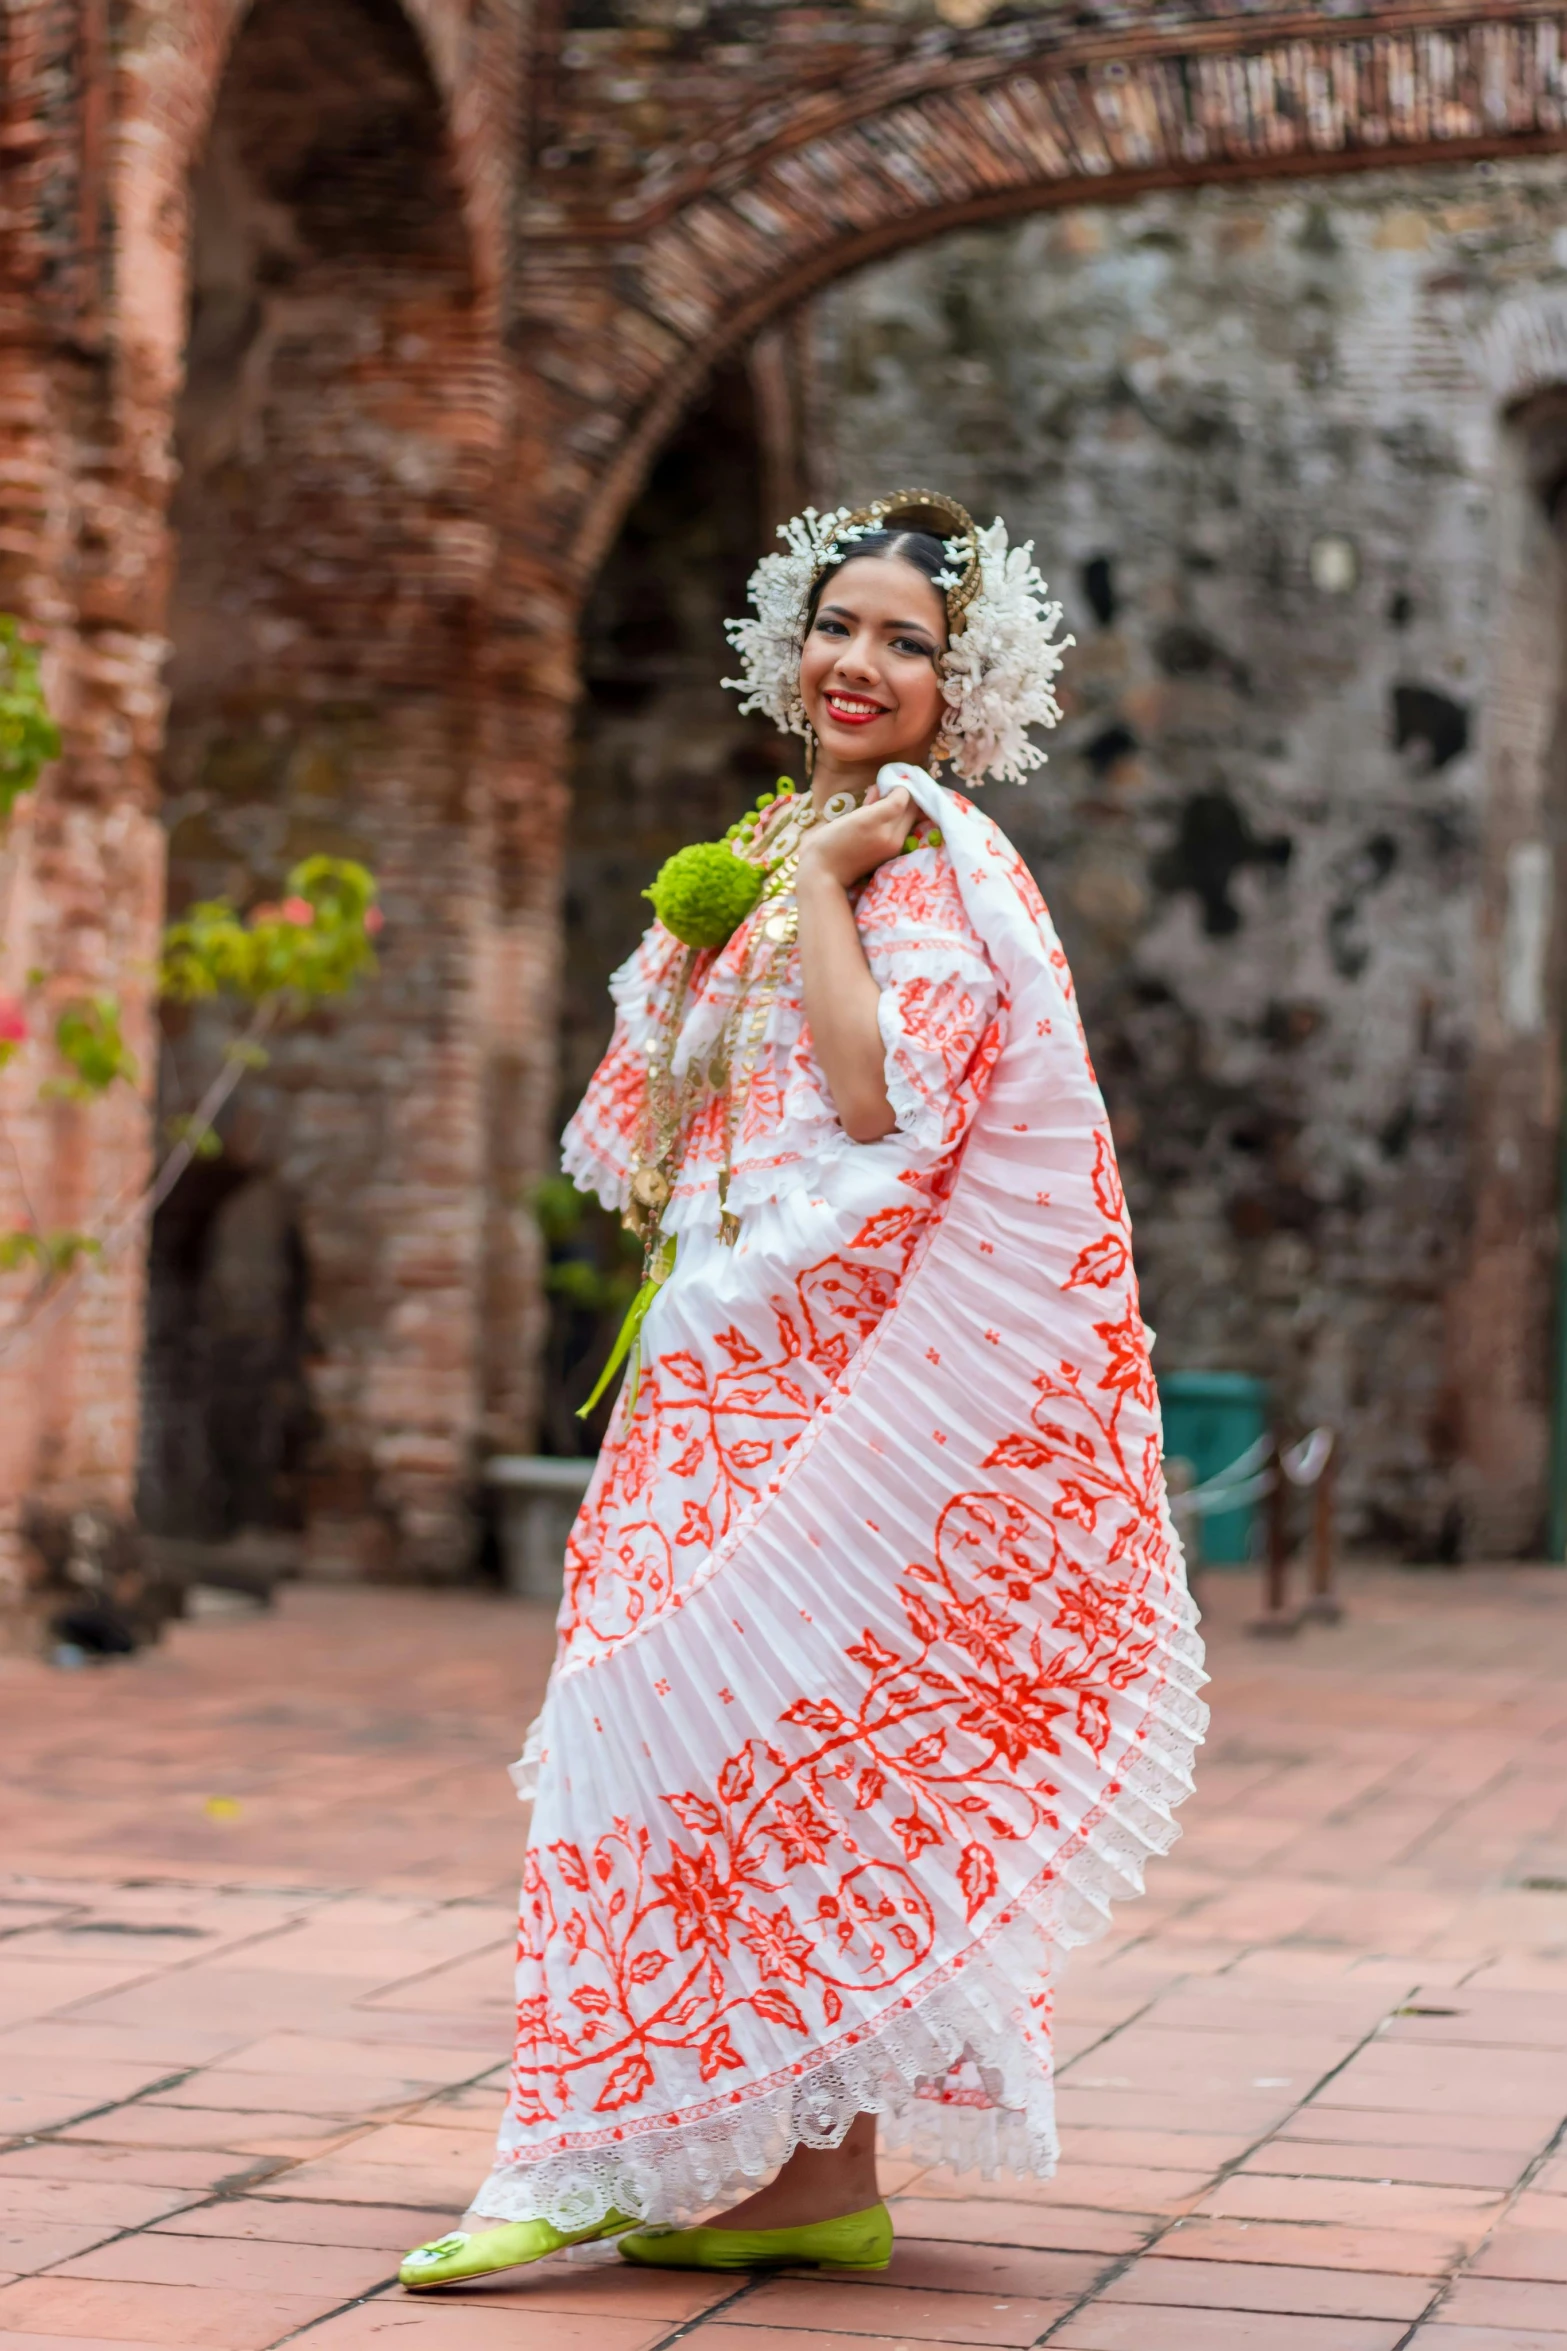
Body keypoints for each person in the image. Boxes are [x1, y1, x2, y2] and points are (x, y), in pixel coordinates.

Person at [400, 490, 1206, 2291]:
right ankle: (769, 2177)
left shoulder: (930, 864)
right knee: (688, 1753)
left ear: (961, 684)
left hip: (840, 1393)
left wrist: (828, 893)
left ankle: (593, 2155)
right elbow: (668, 1123)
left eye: (905, 641)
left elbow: (871, 1102)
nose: (856, 661)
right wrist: (742, 914)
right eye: (836, 625)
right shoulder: (792, 834)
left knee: (726, 1747)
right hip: (716, 1367)